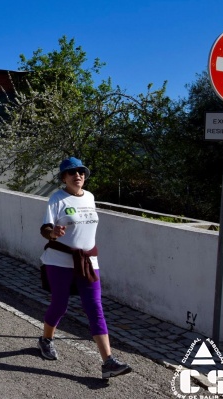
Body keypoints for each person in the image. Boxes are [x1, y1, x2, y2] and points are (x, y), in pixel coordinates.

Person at [38, 157, 132, 379]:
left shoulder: (90, 197)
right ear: (64, 178)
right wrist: (52, 233)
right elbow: (45, 227)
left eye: (81, 172)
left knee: (95, 308)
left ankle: (108, 361)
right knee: (60, 305)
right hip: (59, 260)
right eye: (72, 173)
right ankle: (46, 339)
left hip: (89, 262)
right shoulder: (57, 199)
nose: (77, 175)